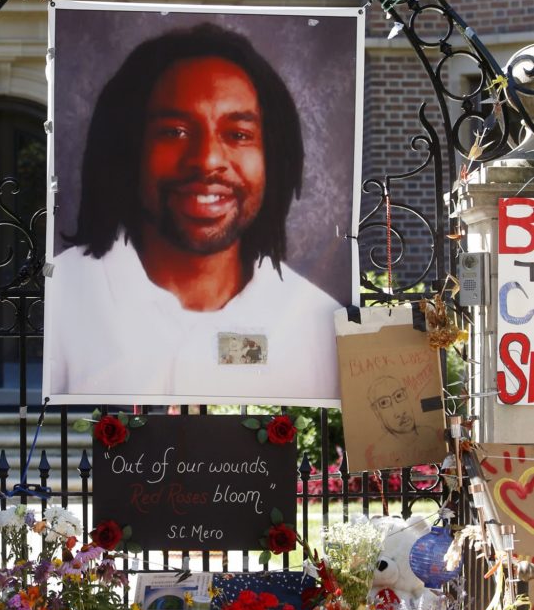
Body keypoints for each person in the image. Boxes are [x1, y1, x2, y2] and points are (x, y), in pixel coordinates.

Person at [44, 22, 345, 403]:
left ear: (272, 157)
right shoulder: (62, 296)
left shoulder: (313, 319)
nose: (207, 161)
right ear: (129, 147)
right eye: (175, 131)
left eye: (238, 135)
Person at [367, 375, 439, 441]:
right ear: (376, 411)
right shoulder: (378, 451)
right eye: (384, 403)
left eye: (399, 395)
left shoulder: (431, 433)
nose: (400, 412)